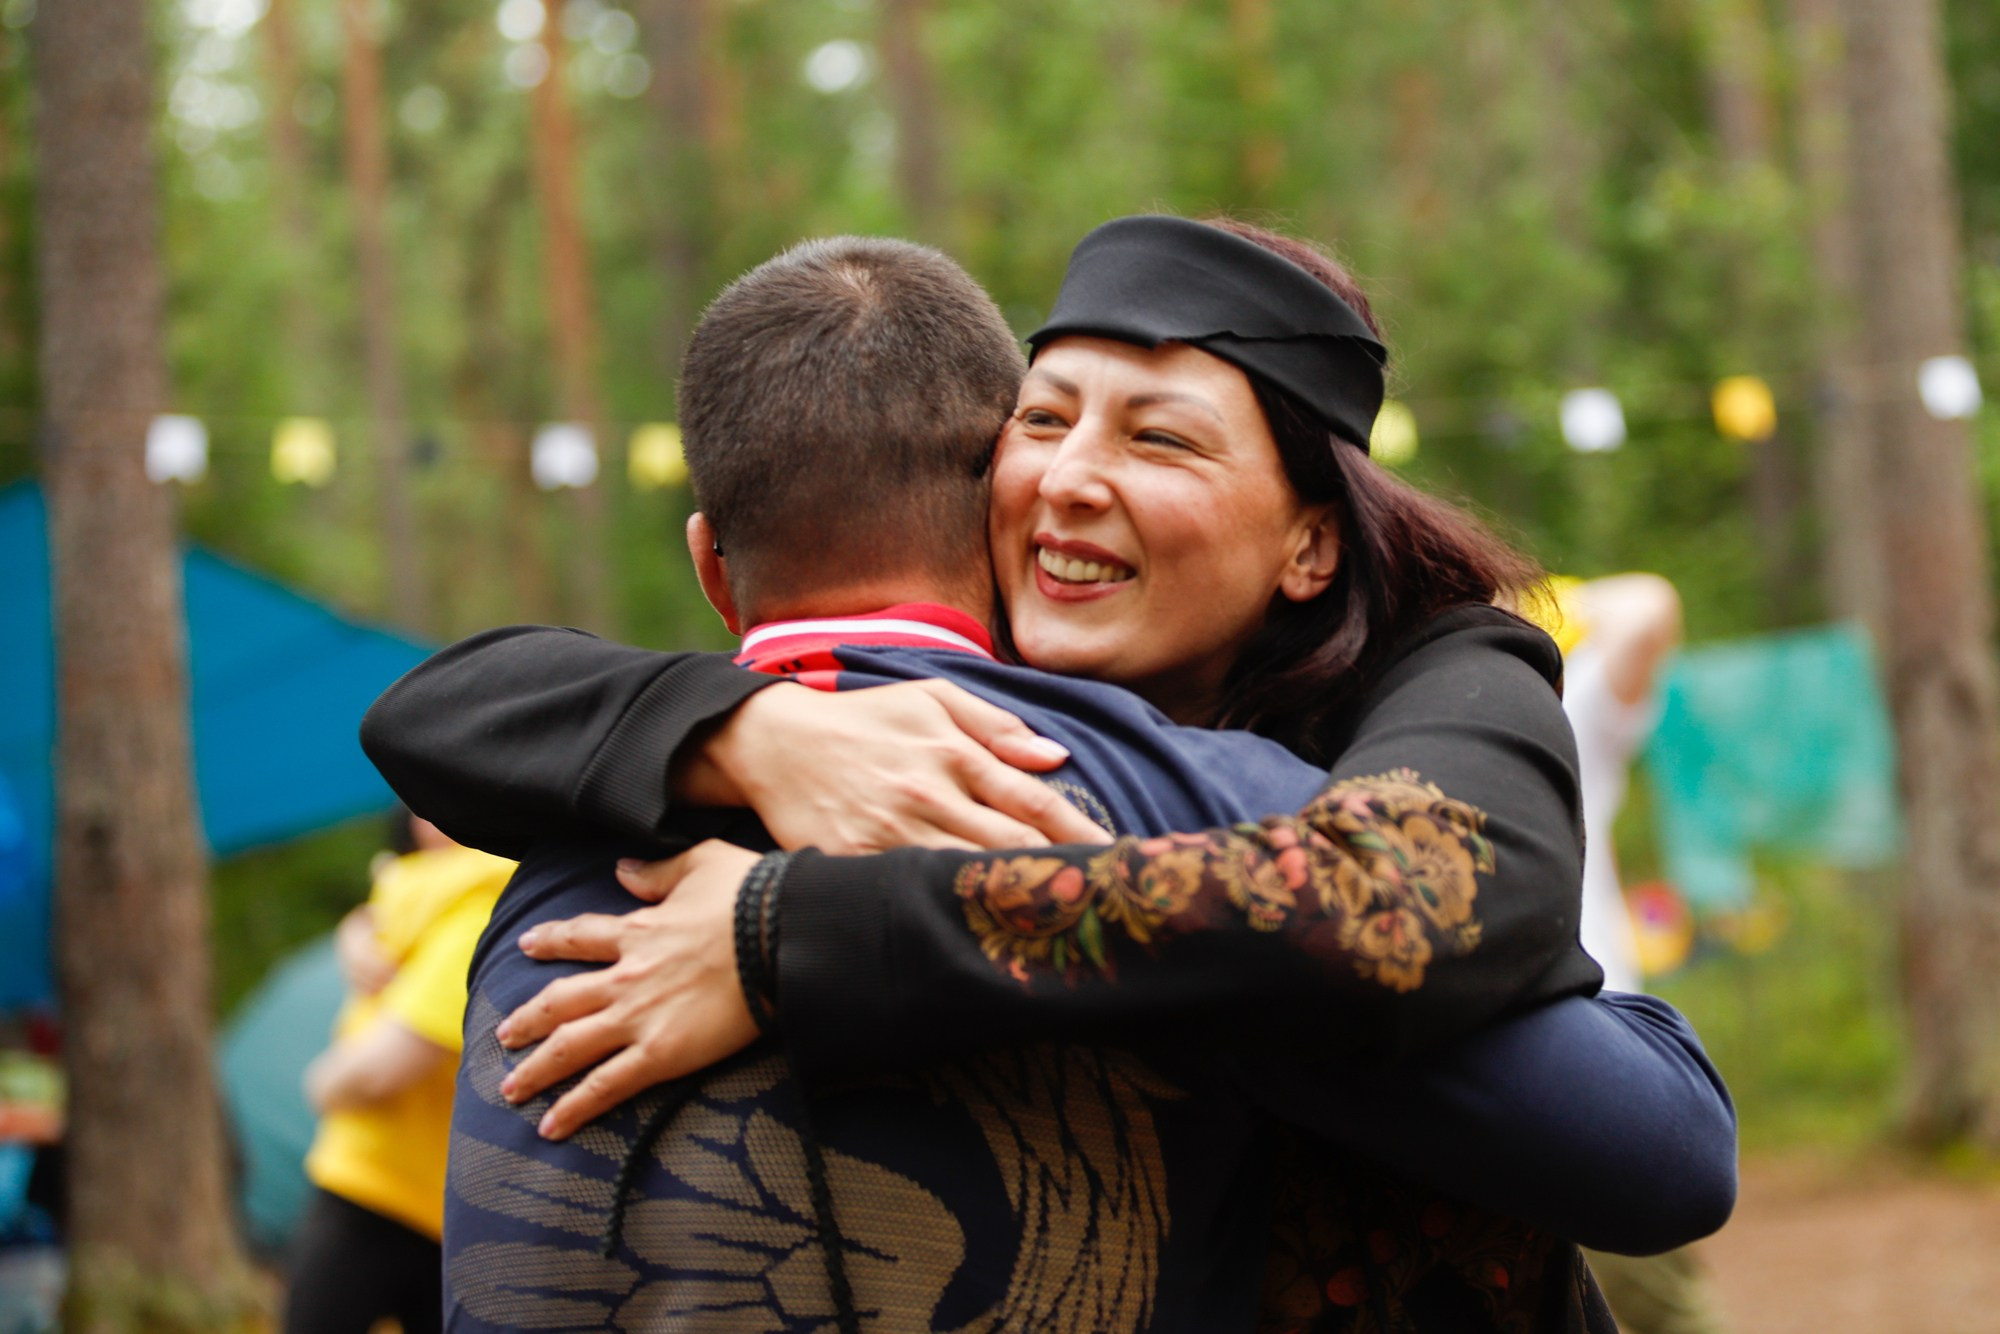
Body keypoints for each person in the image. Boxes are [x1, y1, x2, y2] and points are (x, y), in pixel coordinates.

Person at [367, 221, 1735, 1330]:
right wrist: (755, 733)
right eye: (1045, 422)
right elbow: (434, 708)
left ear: (1310, 545)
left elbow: (1491, 974)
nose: (1072, 476)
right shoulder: (858, 754)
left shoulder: (1448, 685)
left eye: (1159, 438)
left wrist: (795, 932)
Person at [286, 810, 513, 1334]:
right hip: (431, 1193)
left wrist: (320, 1086)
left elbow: (385, 1066)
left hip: (375, 1181)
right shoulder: (479, 896)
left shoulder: (459, 906)